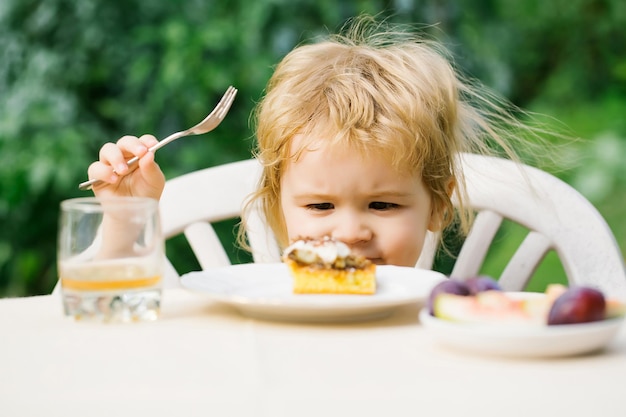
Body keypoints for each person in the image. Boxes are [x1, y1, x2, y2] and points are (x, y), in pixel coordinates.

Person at [87, 15, 545, 267]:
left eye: (382, 205)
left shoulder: (444, 325)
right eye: (320, 206)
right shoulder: (257, 312)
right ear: (275, 206)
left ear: (438, 207)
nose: (348, 233)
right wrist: (127, 221)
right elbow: (110, 336)